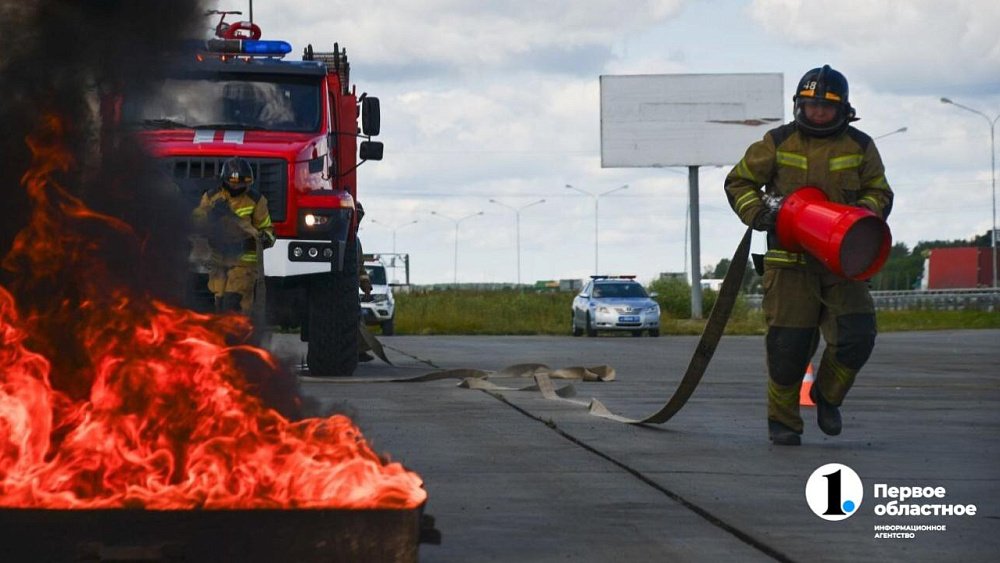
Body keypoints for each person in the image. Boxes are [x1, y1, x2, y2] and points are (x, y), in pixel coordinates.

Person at [723, 65, 894, 446]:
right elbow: (739, 181)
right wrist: (760, 214)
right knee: (788, 348)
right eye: (809, 104)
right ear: (798, 105)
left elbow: (880, 192)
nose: (817, 112)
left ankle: (828, 396)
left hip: (844, 264)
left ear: (843, 109)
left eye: (826, 107)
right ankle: (783, 422)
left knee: (857, 336)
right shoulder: (778, 141)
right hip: (790, 266)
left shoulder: (860, 146)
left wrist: (861, 217)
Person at [192, 157, 276, 315]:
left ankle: (239, 336)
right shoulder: (212, 197)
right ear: (224, 180)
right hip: (218, 260)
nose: (237, 185)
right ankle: (219, 337)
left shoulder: (256, 201)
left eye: (242, 182)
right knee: (218, 302)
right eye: (233, 181)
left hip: (244, 261)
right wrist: (210, 216)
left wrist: (264, 237)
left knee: (234, 301)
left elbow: (267, 230)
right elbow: (196, 220)